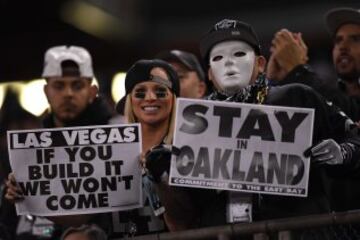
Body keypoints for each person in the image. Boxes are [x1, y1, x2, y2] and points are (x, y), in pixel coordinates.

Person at [145, 19, 360, 238]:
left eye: (239, 54)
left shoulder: (297, 97)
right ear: (209, 73)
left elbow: (355, 138)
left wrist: (342, 154)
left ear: (259, 63)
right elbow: (185, 216)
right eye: (218, 58)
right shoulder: (193, 123)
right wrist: (165, 179)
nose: (229, 63)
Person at [3, 45, 113, 239]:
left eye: (77, 85)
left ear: (92, 91)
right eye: (59, 85)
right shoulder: (28, 149)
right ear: (46, 91)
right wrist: (11, 197)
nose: (68, 93)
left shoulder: (118, 144)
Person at [267, 7, 360, 213]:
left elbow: (348, 122)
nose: (343, 47)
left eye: (355, 39)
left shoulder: (332, 99)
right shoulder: (332, 93)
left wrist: (298, 71)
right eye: (338, 41)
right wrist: (272, 84)